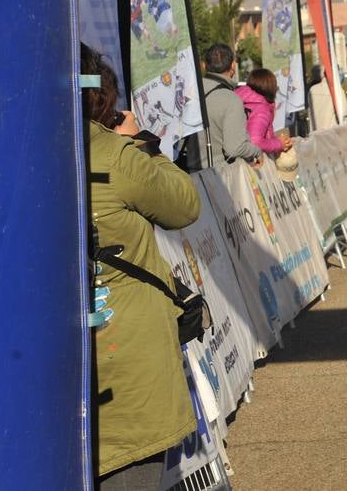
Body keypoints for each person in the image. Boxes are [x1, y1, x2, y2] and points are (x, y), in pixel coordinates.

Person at [82, 44, 200, 488]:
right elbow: (183, 205)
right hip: (124, 360)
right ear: (99, 97)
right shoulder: (114, 154)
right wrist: (142, 143)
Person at [198, 43, 263, 166]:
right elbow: (234, 148)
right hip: (218, 177)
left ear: (204, 65)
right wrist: (256, 151)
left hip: (189, 175)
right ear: (233, 65)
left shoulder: (191, 94)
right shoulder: (231, 99)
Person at [236, 67, 294, 156]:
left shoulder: (239, 99)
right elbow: (255, 141)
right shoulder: (261, 109)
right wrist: (279, 144)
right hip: (251, 162)